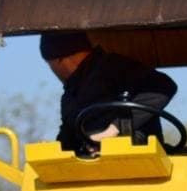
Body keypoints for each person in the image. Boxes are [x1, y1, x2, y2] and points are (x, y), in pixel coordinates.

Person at [40, 32, 177, 153]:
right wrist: (54, 148)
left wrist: (114, 129)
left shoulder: (113, 67)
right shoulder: (70, 96)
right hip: (91, 171)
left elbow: (164, 85)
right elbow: (69, 137)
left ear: (59, 60)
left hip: (137, 160)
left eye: (49, 65)